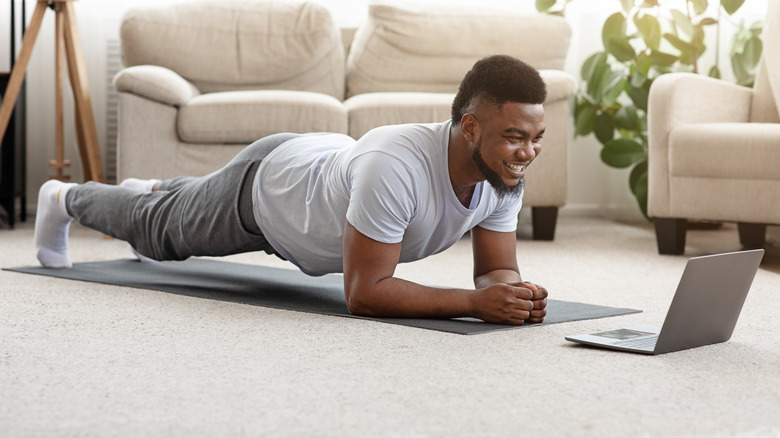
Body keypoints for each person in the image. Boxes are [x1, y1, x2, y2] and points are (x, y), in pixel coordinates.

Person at [34, 54, 549, 325]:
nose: (527, 152)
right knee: (157, 235)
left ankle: (156, 188)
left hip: (317, 170)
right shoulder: (396, 165)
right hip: (267, 193)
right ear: (469, 128)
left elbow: (495, 270)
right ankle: (63, 198)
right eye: (515, 136)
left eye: (535, 139)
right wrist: (474, 304)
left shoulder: (500, 172)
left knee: (175, 204)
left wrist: (512, 294)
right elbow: (364, 293)